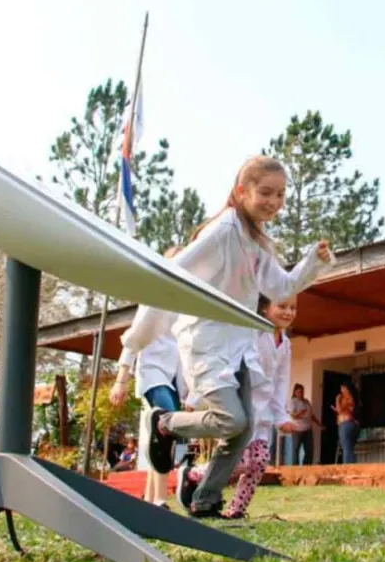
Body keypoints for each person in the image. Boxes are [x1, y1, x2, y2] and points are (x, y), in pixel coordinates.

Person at [121, 156, 335, 518]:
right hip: (207, 342)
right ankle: (165, 423)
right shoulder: (222, 231)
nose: (274, 202)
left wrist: (313, 260)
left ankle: (205, 500)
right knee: (232, 420)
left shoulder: (257, 241)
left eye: (281, 195)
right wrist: (135, 341)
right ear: (241, 190)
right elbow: (173, 273)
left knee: (245, 427)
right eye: (265, 192)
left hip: (239, 346)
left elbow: (281, 286)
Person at [179, 294, 300, 517]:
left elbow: (280, 381)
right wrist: (196, 397)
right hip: (240, 404)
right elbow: (226, 361)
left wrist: (280, 415)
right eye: (282, 306)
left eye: (293, 307)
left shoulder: (285, 345)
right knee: (241, 461)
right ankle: (194, 474)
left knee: (260, 461)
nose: (288, 312)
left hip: (263, 412)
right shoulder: (252, 333)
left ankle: (236, 510)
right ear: (264, 307)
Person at [110, 247, 190, 509]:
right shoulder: (153, 297)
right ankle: (160, 500)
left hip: (176, 379)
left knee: (154, 436)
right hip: (153, 372)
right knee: (164, 426)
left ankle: (149, 498)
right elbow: (133, 339)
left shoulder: (189, 303)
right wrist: (121, 379)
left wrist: (191, 391)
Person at [288, 383, 322, 465]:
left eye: (302, 391)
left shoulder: (306, 401)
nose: (301, 393)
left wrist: (319, 424)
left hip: (308, 429)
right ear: (295, 392)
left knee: (309, 449)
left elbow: (311, 415)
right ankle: (295, 468)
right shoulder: (293, 402)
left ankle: (306, 467)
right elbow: (293, 416)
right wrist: (300, 413)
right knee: (296, 449)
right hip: (297, 429)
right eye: (299, 392)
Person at [333, 383, 359, 463]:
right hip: (352, 423)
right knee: (349, 447)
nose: (341, 391)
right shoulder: (353, 398)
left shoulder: (346, 398)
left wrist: (337, 400)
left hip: (345, 424)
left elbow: (339, 410)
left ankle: (348, 467)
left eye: (343, 388)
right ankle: (351, 465)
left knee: (346, 448)